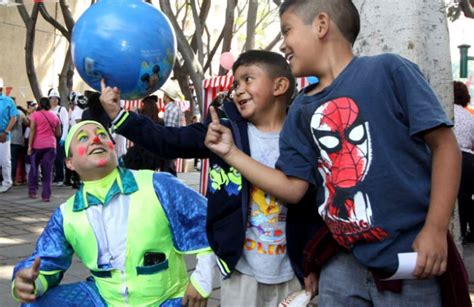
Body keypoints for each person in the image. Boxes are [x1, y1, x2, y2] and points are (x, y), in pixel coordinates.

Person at [204, 1, 464, 306]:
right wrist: (231, 153)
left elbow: (445, 146)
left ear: (321, 25)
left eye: (287, 29)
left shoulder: (389, 71)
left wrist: (435, 229)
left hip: (410, 256)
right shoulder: (301, 109)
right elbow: (293, 188)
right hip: (341, 261)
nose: (283, 42)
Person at [99, 50, 324, 306]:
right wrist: (120, 116)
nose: (238, 90)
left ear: (280, 86)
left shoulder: (304, 136)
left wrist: (313, 262)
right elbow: (170, 141)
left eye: (248, 79)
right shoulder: (222, 130)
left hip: (292, 273)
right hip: (240, 271)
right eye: (236, 83)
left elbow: (314, 204)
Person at [12, 120, 213, 307]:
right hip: (103, 299)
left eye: (102, 134)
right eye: (83, 138)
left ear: (114, 148)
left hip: (167, 299)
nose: (96, 139)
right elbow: (45, 261)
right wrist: (30, 281)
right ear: (69, 163)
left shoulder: (158, 184)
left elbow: (211, 220)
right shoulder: (66, 214)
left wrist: (202, 280)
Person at [27, 97, 61, 202]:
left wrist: (29, 147)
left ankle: (32, 191)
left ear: (40, 105)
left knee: (34, 169)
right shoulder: (55, 116)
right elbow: (58, 133)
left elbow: (32, 131)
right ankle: (46, 196)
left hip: (37, 146)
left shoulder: (35, 115)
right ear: (49, 105)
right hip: (51, 146)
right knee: (48, 171)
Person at [453, 81, 474, 244]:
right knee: (466, 197)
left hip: (451, 158)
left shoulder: (444, 111)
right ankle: (468, 231)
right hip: (468, 160)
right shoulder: (469, 116)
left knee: (453, 197)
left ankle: (457, 233)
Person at [122, 95, 165, 171]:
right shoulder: (160, 121)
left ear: (144, 107)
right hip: (154, 155)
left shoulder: (140, 120)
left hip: (139, 154)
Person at [160, 80, 185, 176]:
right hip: (175, 143)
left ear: (166, 97)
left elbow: (168, 130)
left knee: (167, 170)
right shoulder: (177, 109)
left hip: (168, 145)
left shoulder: (169, 110)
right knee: (170, 168)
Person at [0, 78, 18, 193]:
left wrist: (6, 132)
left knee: (5, 160)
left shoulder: (8, 101)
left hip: (3, 135)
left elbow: (13, 117)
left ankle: (7, 182)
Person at [48, 88, 69, 186]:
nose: (54, 100)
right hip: (48, 137)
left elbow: (65, 124)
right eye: (52, 98)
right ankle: (52, 177)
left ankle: (60, 178)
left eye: (56, 98)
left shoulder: (62, 109)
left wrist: (63, 138)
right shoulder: (47, 110)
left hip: (58, 138)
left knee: (59, 158)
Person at [11, 102, 28, 185]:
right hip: (17, 139)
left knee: (5, 160)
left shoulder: (4, 111)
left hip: (4, 138)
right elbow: (27, 123)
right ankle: (13, 179)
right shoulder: (19, 112)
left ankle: (4, 178)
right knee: (14, 159)